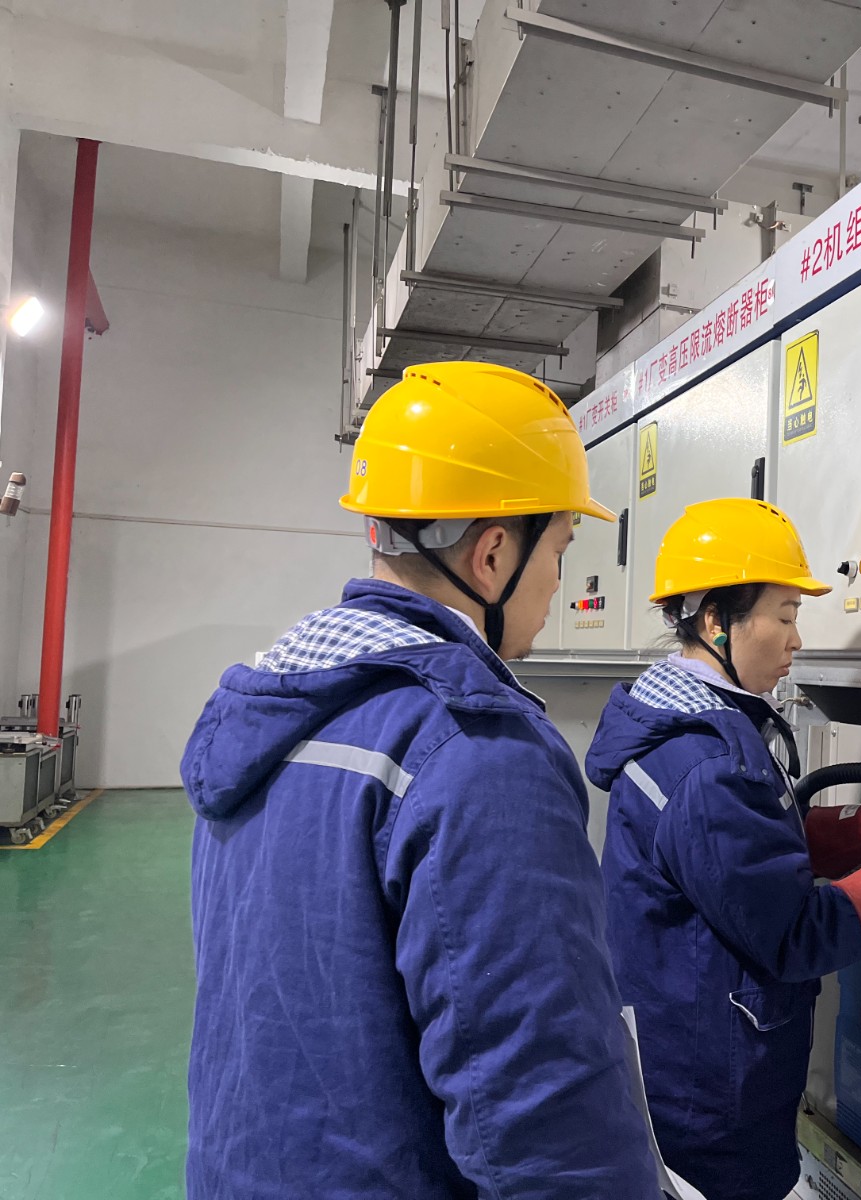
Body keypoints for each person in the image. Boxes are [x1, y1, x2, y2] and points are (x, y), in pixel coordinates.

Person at [181, 362, 662, 1198]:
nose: (559, 582)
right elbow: (545, 1115)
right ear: (493, 554)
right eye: (559, 549)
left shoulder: (264, 712)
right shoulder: (476, 752)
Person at [586, 498, 861, 1200]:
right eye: (784, 616)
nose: (796, 640)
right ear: (716, 620)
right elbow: (795, 930)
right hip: (712, 1102)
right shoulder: (705, 763)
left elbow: (744, 856)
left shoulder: (685, 724)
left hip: (687, 1063)